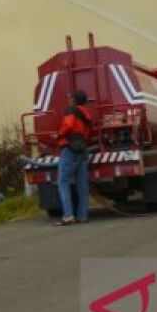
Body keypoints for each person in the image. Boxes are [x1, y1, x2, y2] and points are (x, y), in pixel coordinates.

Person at [54, 90, 93, 226]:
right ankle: (83, 216)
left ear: (74, 100)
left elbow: (68, 125)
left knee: (63, 182)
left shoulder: (71, 110)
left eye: (70, 98)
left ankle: (68, 216)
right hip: (82, 149)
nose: (69, 99)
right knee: (82, 184)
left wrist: (58, 135)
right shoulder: (87, 114)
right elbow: (87, 132)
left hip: (70, 149)